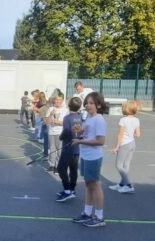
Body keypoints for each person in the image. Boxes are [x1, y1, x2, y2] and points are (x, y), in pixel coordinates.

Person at [70, 92, 108, 228]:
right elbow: (87, 134)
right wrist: (79, 131)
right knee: (88, 184)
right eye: (86, 103)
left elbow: (100, 141)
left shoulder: (99, 120)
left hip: (93, 157)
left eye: (91, 103)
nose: (88, 105)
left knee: (95, 185)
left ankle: (99, 217)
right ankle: (87, 213)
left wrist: (80, 141)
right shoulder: (89, 118)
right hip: (85, 155)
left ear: (99, 105)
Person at [109, 101, 142, 194]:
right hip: (132, 144)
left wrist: (116, 147)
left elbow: (120, 135)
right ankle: (122, 184)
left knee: (119, 166)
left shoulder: (123, 120)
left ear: (125, 109)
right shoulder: (137, 120)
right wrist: (130, 134)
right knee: (126, 165)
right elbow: (138, 134)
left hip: (124, 144)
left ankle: (128, 185)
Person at [56, 96, 82, 202]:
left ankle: (67, 191)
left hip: (68, 147)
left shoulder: (67, 118)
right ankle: (72, 190)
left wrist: (61, 137)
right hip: (77, 147)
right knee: (73, 169)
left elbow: (66, 131)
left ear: (69, 105)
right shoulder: (81, 117)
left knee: (61, 168)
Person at [46, 94, 67, 172]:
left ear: (62, 100)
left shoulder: (66, 110)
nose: (57, 101)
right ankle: (52, 165)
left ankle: (58, 166)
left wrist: (59, 122)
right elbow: (46, 122)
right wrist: (51, 114)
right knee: (52, 150)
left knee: (60, 150)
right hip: (51, 132)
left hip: (61, 132)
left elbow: (67, 122)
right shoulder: (50, 109)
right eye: (56, 99)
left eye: (59, 99)